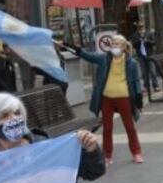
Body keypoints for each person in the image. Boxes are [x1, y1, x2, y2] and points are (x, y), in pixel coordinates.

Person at [60, 36, 143, 165]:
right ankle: (107, 155)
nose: (114, 46)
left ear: (124, 47)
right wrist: (67, 45)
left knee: (130, 126)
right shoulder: (104, 58)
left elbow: (136, 81)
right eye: (113, 43)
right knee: (107, 128)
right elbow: (86, 55)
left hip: (124, 97)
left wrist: (139, 99)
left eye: (117, 44)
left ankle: (136, 152)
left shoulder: (131, 63)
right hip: (106, 97)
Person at [130, 22, 160, 92]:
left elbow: (154, 42)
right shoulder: (135, 35)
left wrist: (147, 41)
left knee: (152, 71)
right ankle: (146, 86)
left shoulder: (149, 33)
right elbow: (134, 45)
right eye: (139, 28)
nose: (141, 29)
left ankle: (155, 85)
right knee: (144, 72)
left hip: (149, 54)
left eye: (142, 27)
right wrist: (139, 41)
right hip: (141, 55)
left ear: (144, 27)